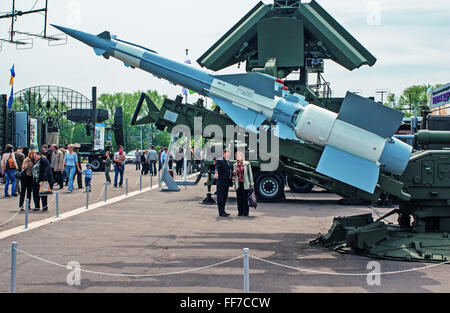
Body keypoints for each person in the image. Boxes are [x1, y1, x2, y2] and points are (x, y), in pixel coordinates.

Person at [232, 151, 254, 217]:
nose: (238, 156)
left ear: (242, 156)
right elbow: (234, 175)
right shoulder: (234, 165)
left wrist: (252, 183)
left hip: (245, 183)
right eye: (237, 156)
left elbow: (250, 174)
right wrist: (234, 174)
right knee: (239, 198)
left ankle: (245, 212)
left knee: (245, 198)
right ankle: (240, 212)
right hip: (238, 183)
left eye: (239, 155)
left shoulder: (247, 164)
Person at [214, 149, 232, 217]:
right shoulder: (220, 160)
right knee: (220, 197)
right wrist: (216, 173)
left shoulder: (227, 161)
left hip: (226, 182)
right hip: (221, 182)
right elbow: (217, 168)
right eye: (227, 153)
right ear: (224, 153)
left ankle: (223, 211)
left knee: (224, 197)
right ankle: (221, 213)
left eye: (229, 153)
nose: (229, 155)